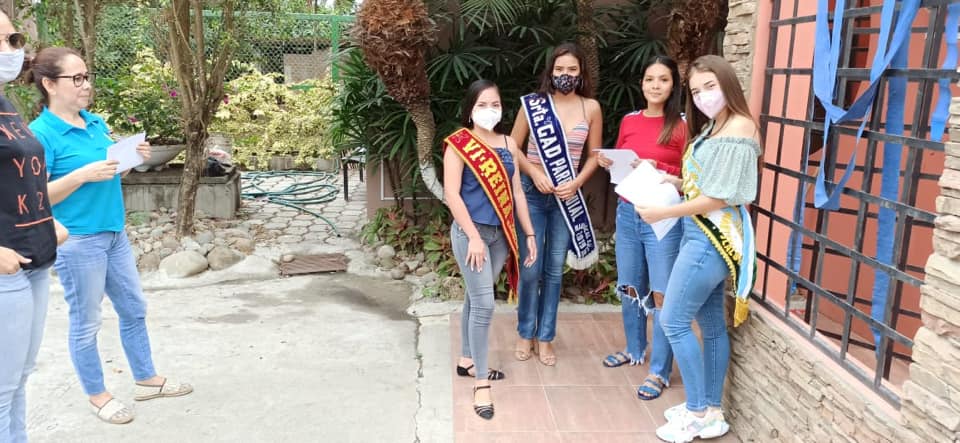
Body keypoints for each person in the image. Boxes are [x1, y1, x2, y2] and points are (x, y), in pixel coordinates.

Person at [28, 47, 193, 425]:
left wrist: (132, 158)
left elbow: (111, 171)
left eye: (87, 76)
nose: (86, 85)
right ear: (49, 84)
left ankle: (146, 379)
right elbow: (35, 198)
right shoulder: (40, 135)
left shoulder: (95, 122)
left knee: (133, 308)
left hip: (114, 233)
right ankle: (98, 395)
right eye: (76, 79)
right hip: (78, 241)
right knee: (86, 322)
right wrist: (81, 175)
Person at [635, 54, 760, 442]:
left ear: (727, 84)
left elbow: (719, 196)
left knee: (672, 320)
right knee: (710, 325)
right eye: (696, 90)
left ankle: (697, 412)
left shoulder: (739, 126)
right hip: (699, 234)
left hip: (711, 238)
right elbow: (704, 183)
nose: (703, 95)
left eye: (710, 86)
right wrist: (670, 180)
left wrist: (662, 212)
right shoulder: (714, 125)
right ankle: (711, 410)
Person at [444, 79, 537, 420]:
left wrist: (529, 233)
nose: (489, 110)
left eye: (495, 104)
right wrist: (473, 237)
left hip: (500, 236)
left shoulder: (509, 143)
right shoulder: (459, 144)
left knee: (475, 297)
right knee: (484, 304)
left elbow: (517, 193)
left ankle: (467, 360)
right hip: (472, 236)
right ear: (470, 109)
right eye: (482, 104)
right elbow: (452, 195)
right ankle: (481, 382)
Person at [596, 56, 686, 401]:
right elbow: (622, 163)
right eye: (650, 79)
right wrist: (608, 162)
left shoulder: (681, 124)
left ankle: (659, 370)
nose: (655, 85)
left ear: (673, 85)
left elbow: (690, 174)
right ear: (642, 84)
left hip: (663, 213)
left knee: (662, 292)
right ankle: (634, 348)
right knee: (630, 285)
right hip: (628, 210)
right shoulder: (629, 120)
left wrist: (656, 165)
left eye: (663, 79)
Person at [511, 42, 603, 366]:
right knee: (531, 268)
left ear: (581, 73)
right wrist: (535, 172)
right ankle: (525, 332)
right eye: (560, 69)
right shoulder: (534, 105)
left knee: (553, 270)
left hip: (566, 197)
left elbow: (594, 156)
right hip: (532, 194)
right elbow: (512, 146)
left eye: (572, 69)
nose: (565, 75)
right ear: (550, 71)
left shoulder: (591, 107)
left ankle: (546, 336)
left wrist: (577, 182)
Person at [0, 14, 69, 442]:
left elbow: (18, 177)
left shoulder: (7, 105)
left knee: (19, 379)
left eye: (13, 38)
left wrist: (48, 219)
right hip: (5, 268)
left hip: (35, 259)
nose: (11, 49)